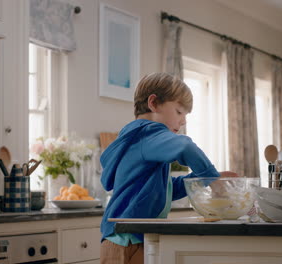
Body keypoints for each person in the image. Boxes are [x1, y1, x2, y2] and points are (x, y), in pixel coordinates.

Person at [99, 72, 237, 264]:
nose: (183, 121)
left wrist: (201, 180)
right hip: (127, 242)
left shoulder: (139, 140)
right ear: (153, 103)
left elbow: (161, 189)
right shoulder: (146, 133)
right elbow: (186, 146)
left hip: (125, 239)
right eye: (179, 112)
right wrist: (213, 180)